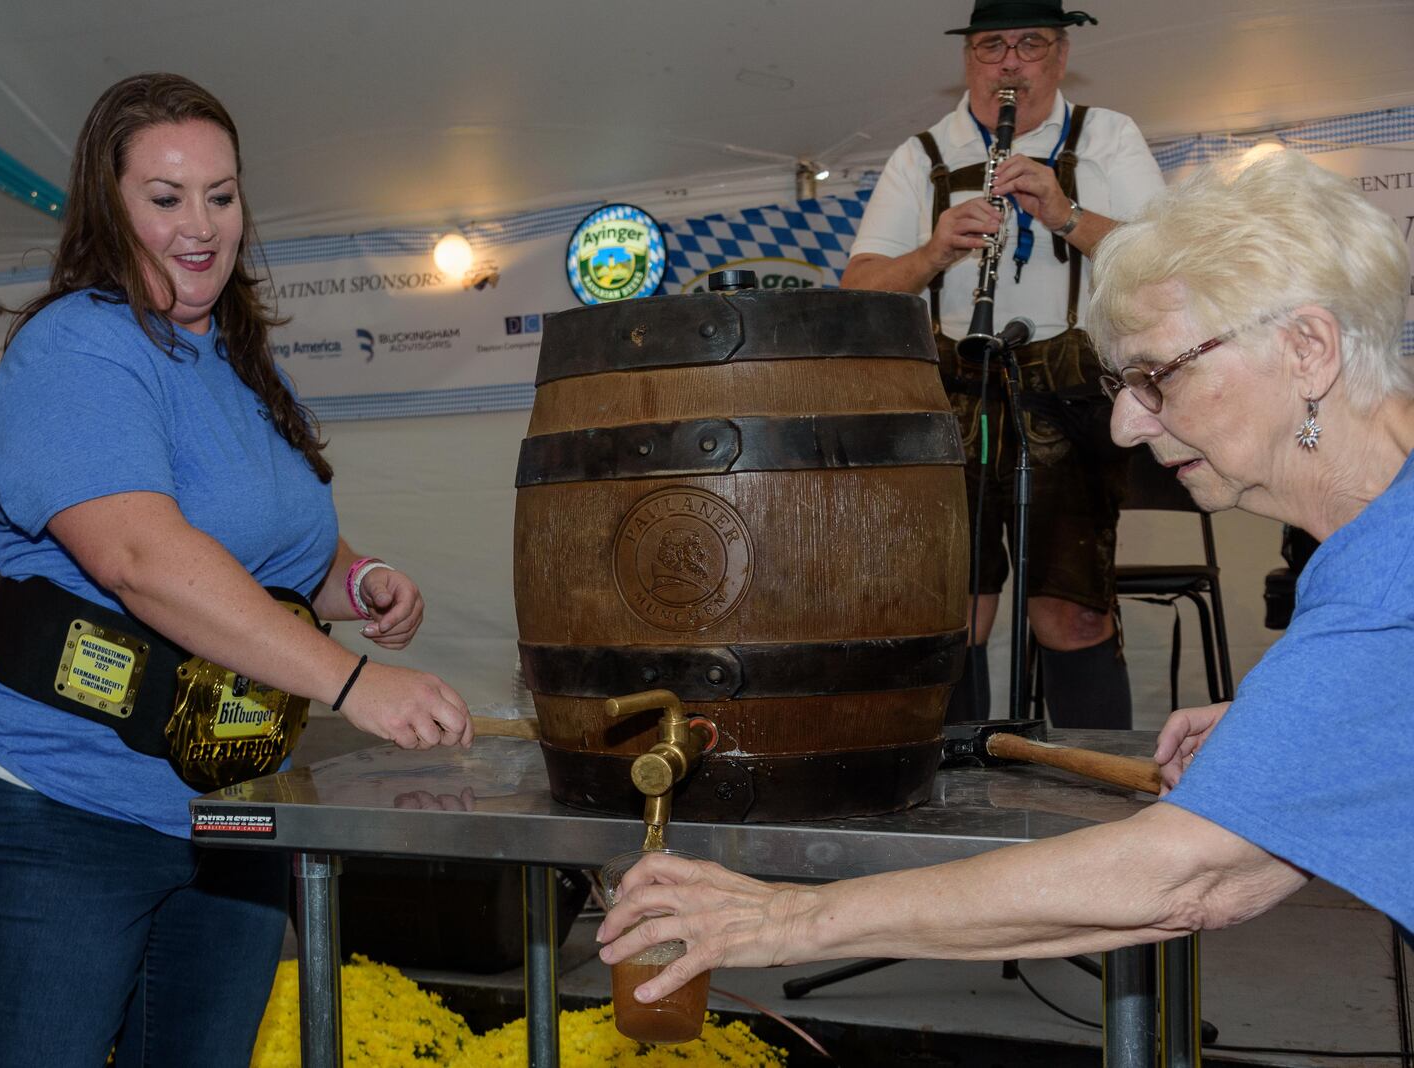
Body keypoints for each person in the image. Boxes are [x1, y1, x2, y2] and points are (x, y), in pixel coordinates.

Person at [599, 149, 1414, 1000]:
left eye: (1156, 376)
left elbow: (1194, 875)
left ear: (1308, 347)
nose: (1129, 425)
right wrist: (1312, 724)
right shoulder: (1376, 551)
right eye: (1118, 382)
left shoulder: (1387, 583)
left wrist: (787, 919)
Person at [0, 73, 472, 1067]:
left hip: (227, 807)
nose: (201, 224)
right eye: (166, 196)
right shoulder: (77, 347)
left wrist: (357, 585)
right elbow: (143, 559)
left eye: (221, 196)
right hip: (52, 799)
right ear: (109, 203)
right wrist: (354, 683)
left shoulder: (234, 359)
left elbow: (276, 549)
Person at [843, 0, 1165, 728]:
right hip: (953, 388)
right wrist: (933, 252)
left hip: (1073, 391)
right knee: (954, 613)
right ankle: (958, 784)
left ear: (1060, 55)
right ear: (968, 58)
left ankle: (1093, 794)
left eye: (1031, 44)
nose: (1011, 62)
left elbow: (1162, 262)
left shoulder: (1108, 136)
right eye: (993, 46)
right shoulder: (922, 153)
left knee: (1068, 611)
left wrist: (1065, 216)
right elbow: (858, 286)